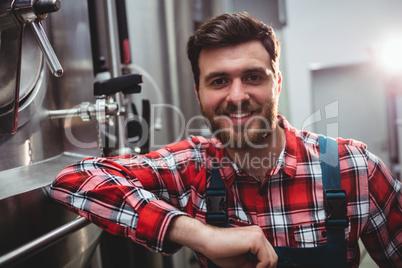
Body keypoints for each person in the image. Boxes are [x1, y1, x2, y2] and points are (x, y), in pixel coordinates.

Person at [50, 12, 401, 268]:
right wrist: (200, 234)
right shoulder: (192, 167)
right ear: (198, 92)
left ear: (276, 83)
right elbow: (72, 180)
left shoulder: (353, 168)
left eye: (252, 77)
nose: (236, 96)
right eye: (218, 81)